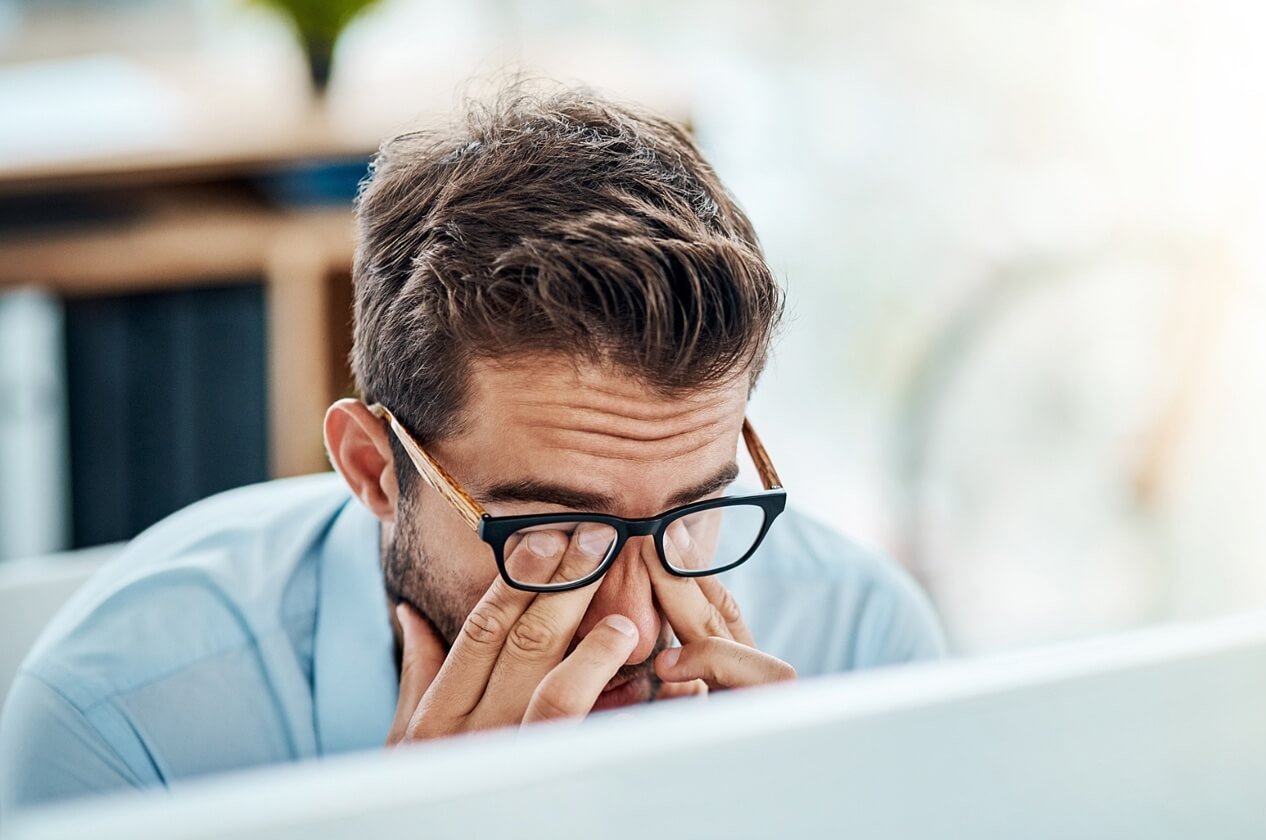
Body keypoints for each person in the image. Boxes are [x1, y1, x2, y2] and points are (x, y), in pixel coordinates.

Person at [0, 85, 945, 813]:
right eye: (558, 530)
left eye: (693, 511)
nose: (639, 626)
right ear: (374, 467)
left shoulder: (860, 646)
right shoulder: (123, 723)